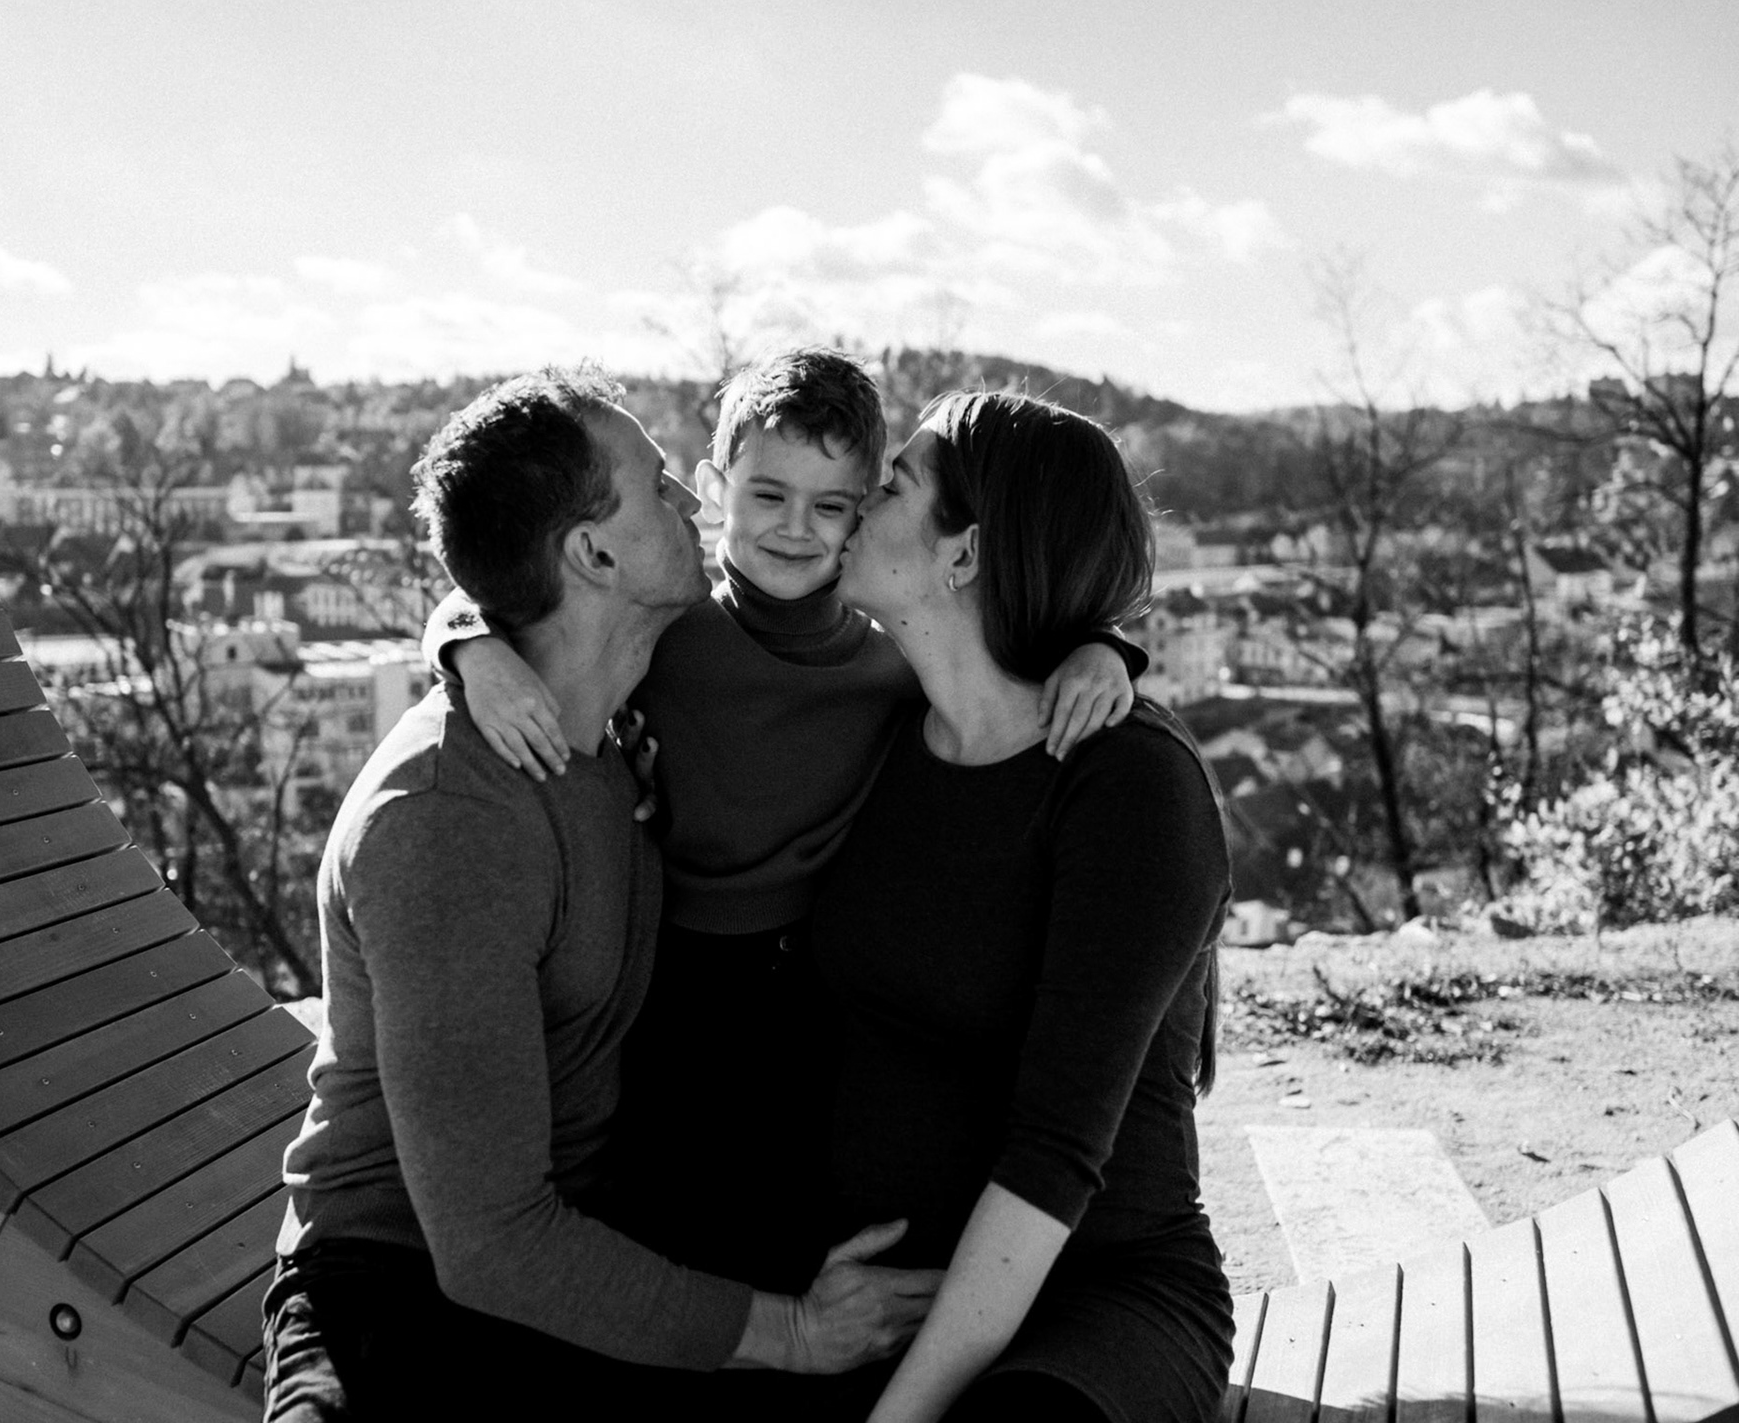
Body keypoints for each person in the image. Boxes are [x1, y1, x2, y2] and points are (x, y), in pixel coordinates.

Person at [263, 365, 942, 1421]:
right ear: (593, 554)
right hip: (400, 1294)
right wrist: (796, 1333)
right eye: (662, 486)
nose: (689, 504)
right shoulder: (453, 815)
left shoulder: (612, 731)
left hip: (580, 1263)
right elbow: (489, 1247)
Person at [423, 349, 1147, 1296]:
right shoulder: (666, 627)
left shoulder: (893, 665)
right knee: (668, 1197)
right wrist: (469, 647)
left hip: (818, 976)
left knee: (798, 1204)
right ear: (716, 487)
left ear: (864, 512)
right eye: (768, 496)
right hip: (676, 973)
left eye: (833, 505)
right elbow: (512, 578)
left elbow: (1016, 627)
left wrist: (1104, 648)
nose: (796, 529)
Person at [807, 391, 1235, 1422]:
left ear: (964, 553)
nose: (860, 498)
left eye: (896, 483)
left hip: (1096, 1300)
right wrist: (466, 638)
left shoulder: (1129, 784)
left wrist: (898, 1418)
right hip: (881, 1295)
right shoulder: (878, 729)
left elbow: (1055, 1154)